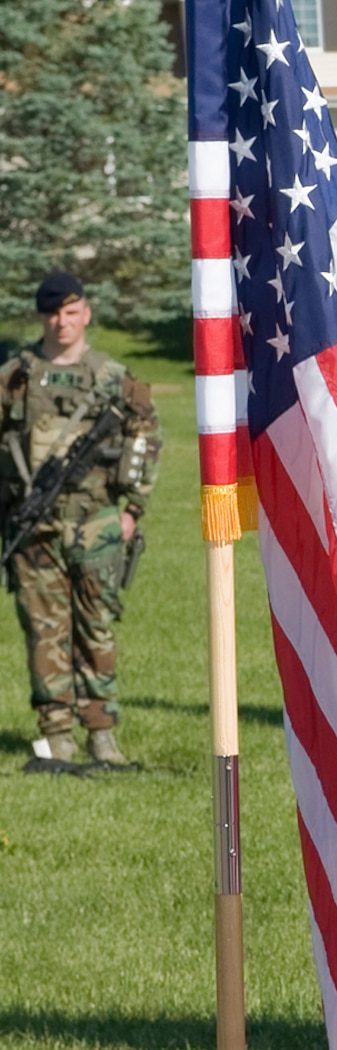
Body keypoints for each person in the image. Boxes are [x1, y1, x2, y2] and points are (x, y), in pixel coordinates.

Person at [0, 272, 161, 772]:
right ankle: (56, 736)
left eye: (71, 312)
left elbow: (145, 437)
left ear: (85, 314)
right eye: (52, 313)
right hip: (35, 529)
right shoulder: (14, 377)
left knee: (96, 629)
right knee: (44, 632)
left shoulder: (113, 377)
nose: (61, 322)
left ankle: (102, 735)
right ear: (40, 316)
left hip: (97, 523)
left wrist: (132, 509)